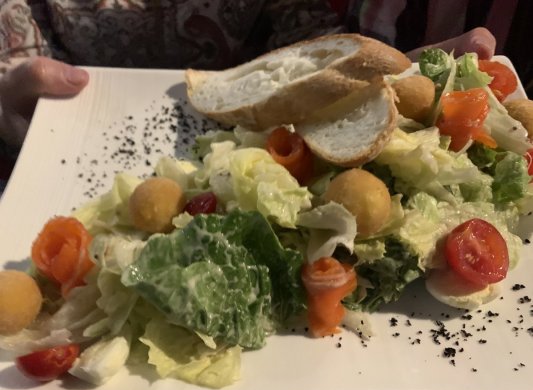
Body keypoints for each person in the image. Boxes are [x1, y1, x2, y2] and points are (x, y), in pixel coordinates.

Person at [1, 0, 525, 193]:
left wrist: (378, 79)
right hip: (58, 164)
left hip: (235, 154)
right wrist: (7, 106)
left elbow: (308, 42)